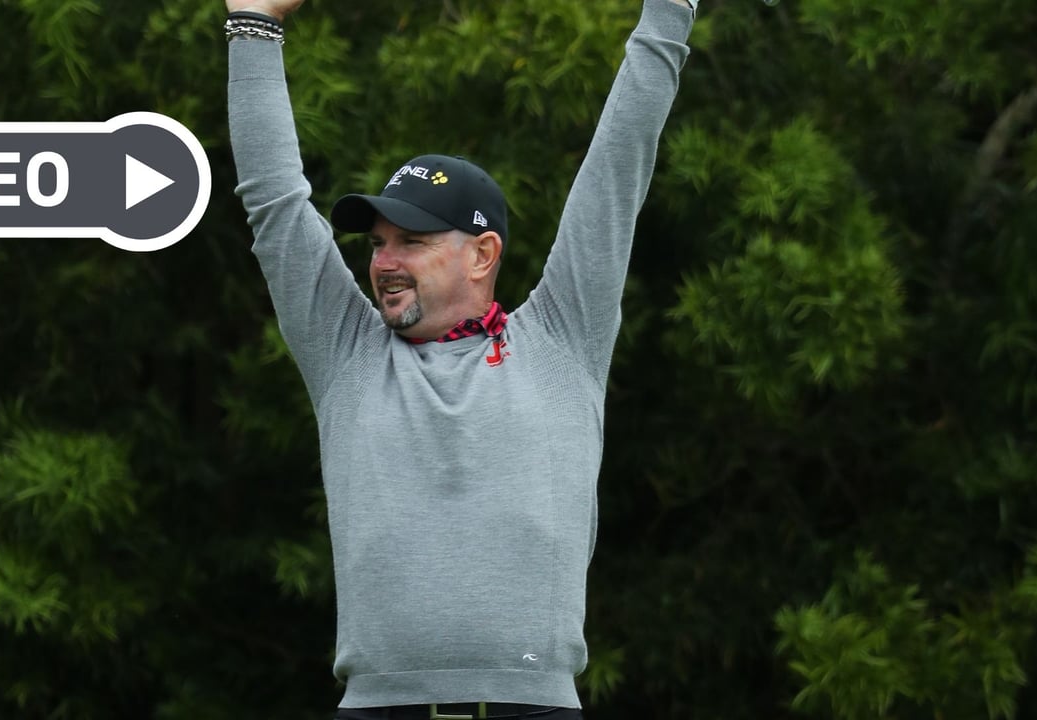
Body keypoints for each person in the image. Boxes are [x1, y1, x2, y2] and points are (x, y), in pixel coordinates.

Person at [226, 0, 695, 717]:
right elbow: (275, 203)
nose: (383, 261)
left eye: (411, 242)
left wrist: (670, 9)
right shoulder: (347, 352)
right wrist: (253, 23)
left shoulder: (564, 338)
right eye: (378, 242)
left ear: (483, 254)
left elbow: (619, 161)